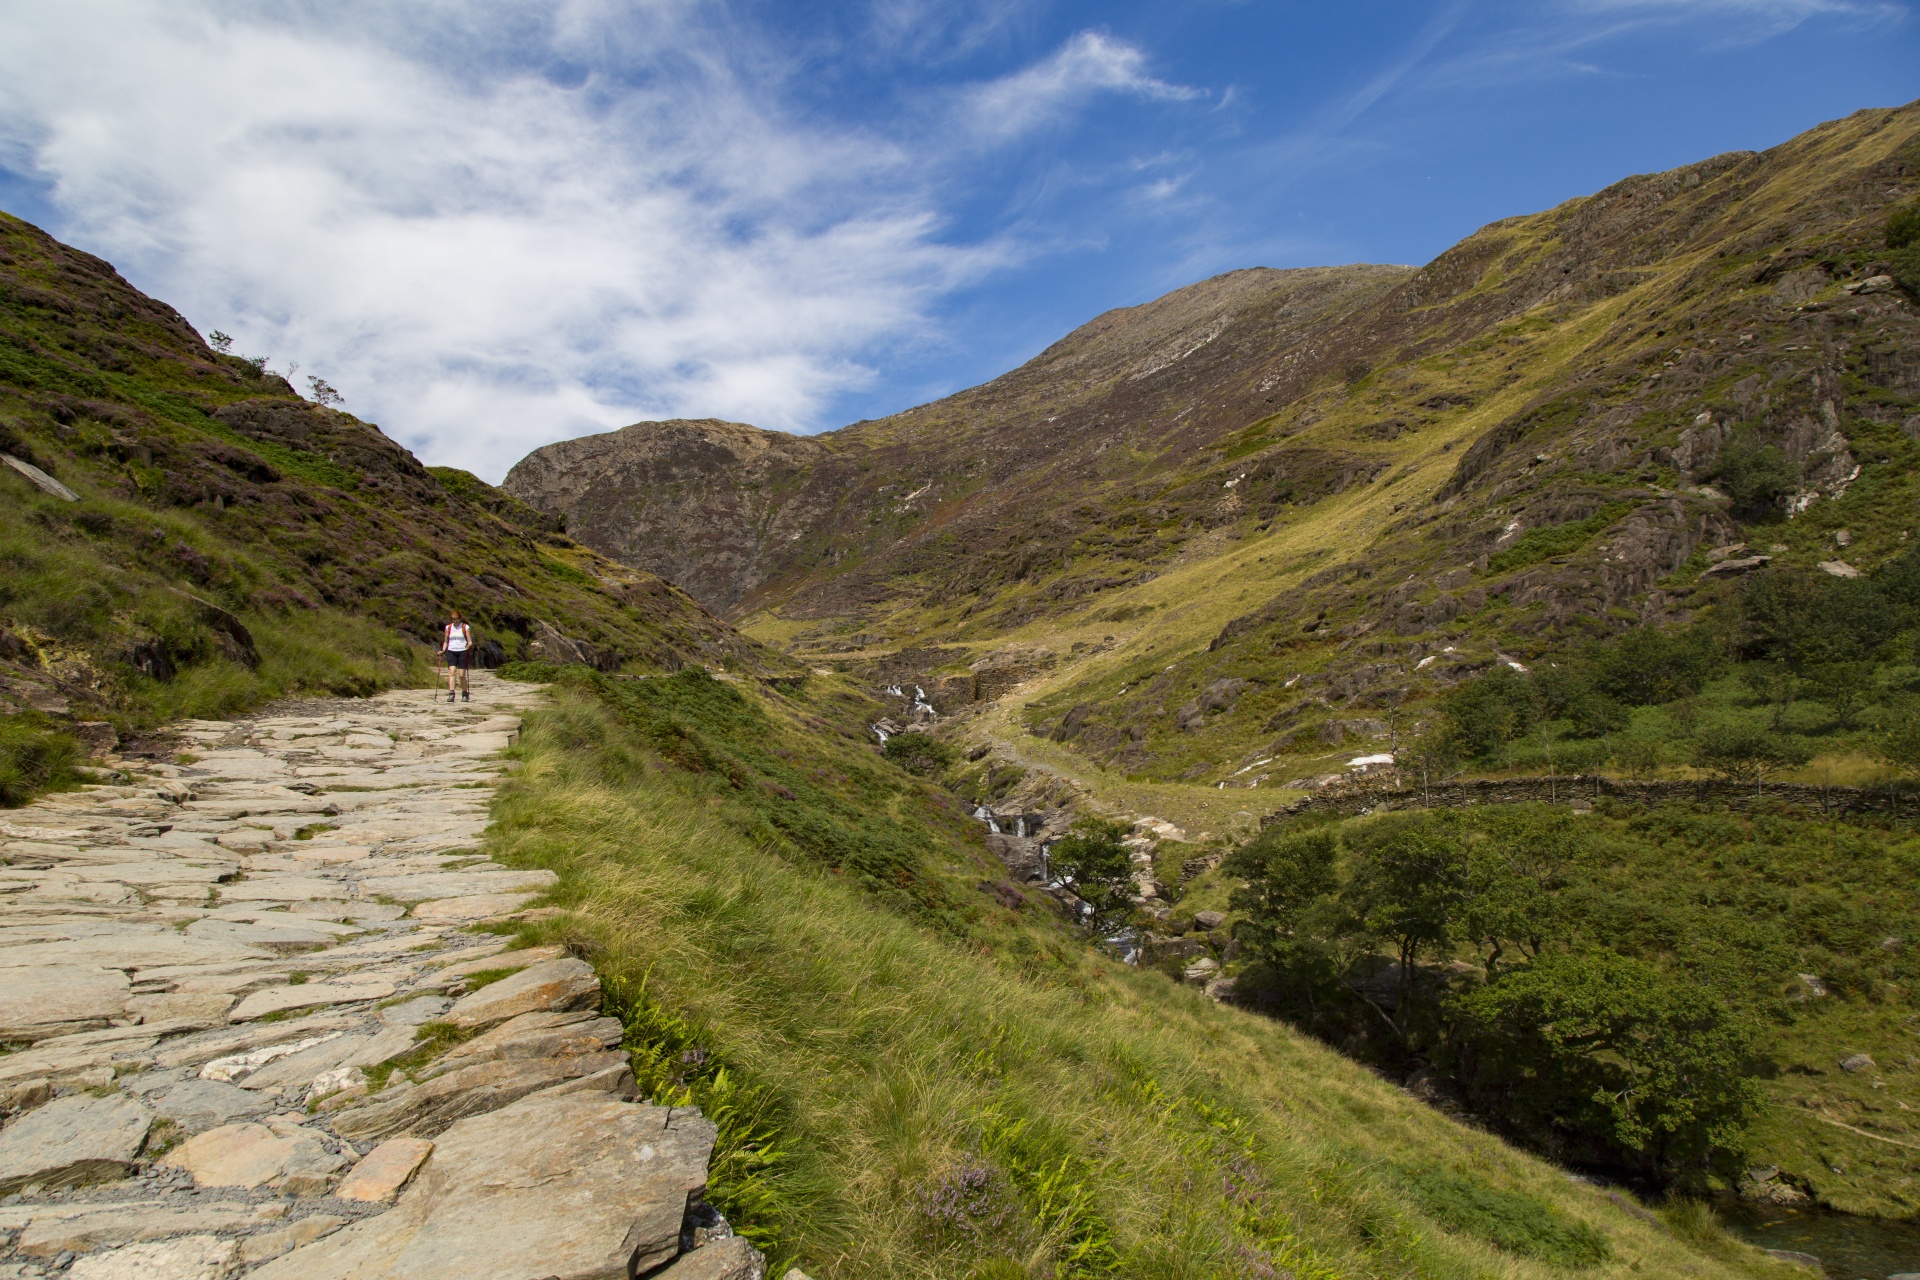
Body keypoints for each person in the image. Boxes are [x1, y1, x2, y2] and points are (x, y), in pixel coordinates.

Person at [440, 610, 476, 702]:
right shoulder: (448, 627)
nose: (455, 621)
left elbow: (469, 640)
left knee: (461, 675)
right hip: (451, 651)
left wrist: (469, 645)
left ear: (460, 618)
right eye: (453, 619)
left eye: (456, 619)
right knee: (452, 672)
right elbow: (446, 641)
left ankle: (465, 693)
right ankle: (451, 694)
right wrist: (443, 650)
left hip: (462, 651)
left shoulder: (465, 627)